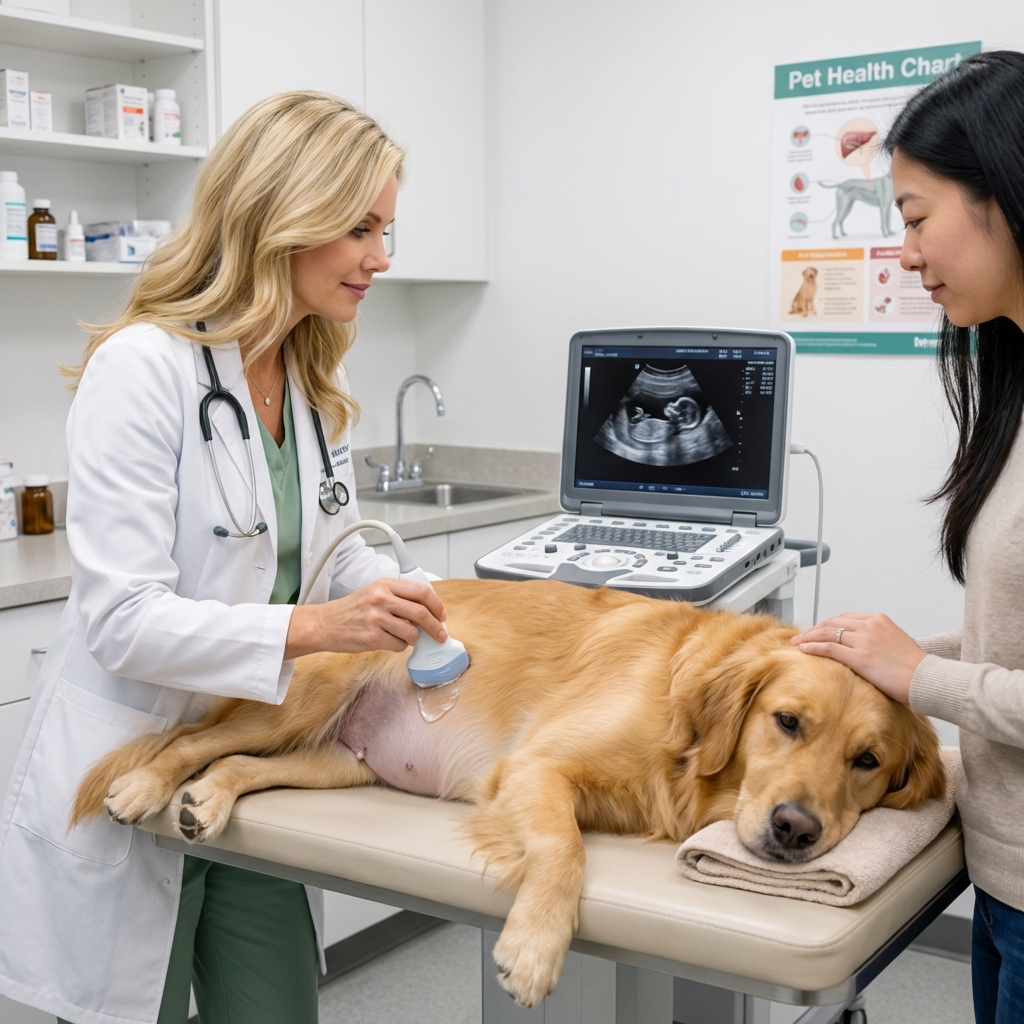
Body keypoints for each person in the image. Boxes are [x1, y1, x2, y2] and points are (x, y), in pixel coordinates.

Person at [0, 91, 451, 1024]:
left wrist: (404, 600)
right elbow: (121, 619)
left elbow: (336, 560)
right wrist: (322, 627)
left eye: (386, 229)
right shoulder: (144, 368)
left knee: (277, 1006)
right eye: (360, 228)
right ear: (283, 216)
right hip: (130, 763)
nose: (381, 258)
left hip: (247, 767)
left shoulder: (314, 381)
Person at [790, 51, 1024, 1024]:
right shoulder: (1012, 386)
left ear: (1006, 195)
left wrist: (917, 675)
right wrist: (892, 655)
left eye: (919, 217)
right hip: (1001, 867)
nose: (905, 252)